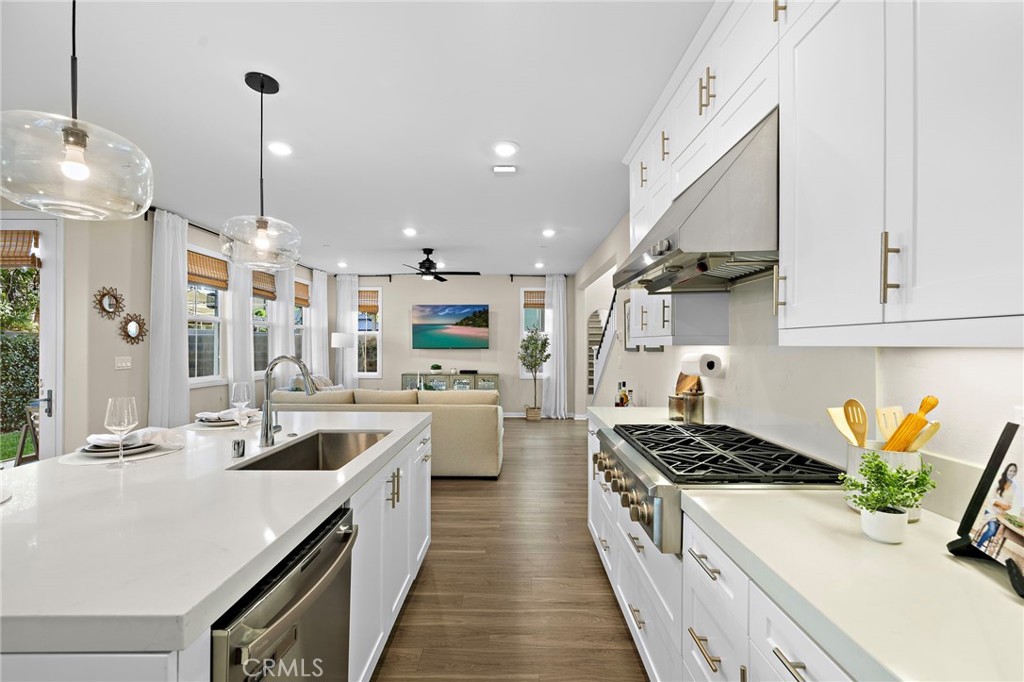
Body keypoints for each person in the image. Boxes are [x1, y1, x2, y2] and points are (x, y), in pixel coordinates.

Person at [976, 462, 1019, 550]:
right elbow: (991, 499)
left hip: (1000, 515)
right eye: (1010, 470)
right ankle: (978, 546)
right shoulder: (998, 483)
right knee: (992, 530)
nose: (1012, 473)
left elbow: (1010, 501)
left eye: (1014, 471)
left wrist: (1009, 506)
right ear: (1006, 471)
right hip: (991, 512)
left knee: (999, 533)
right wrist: (1002, 505)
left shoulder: (1014, 486)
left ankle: (982, 544)